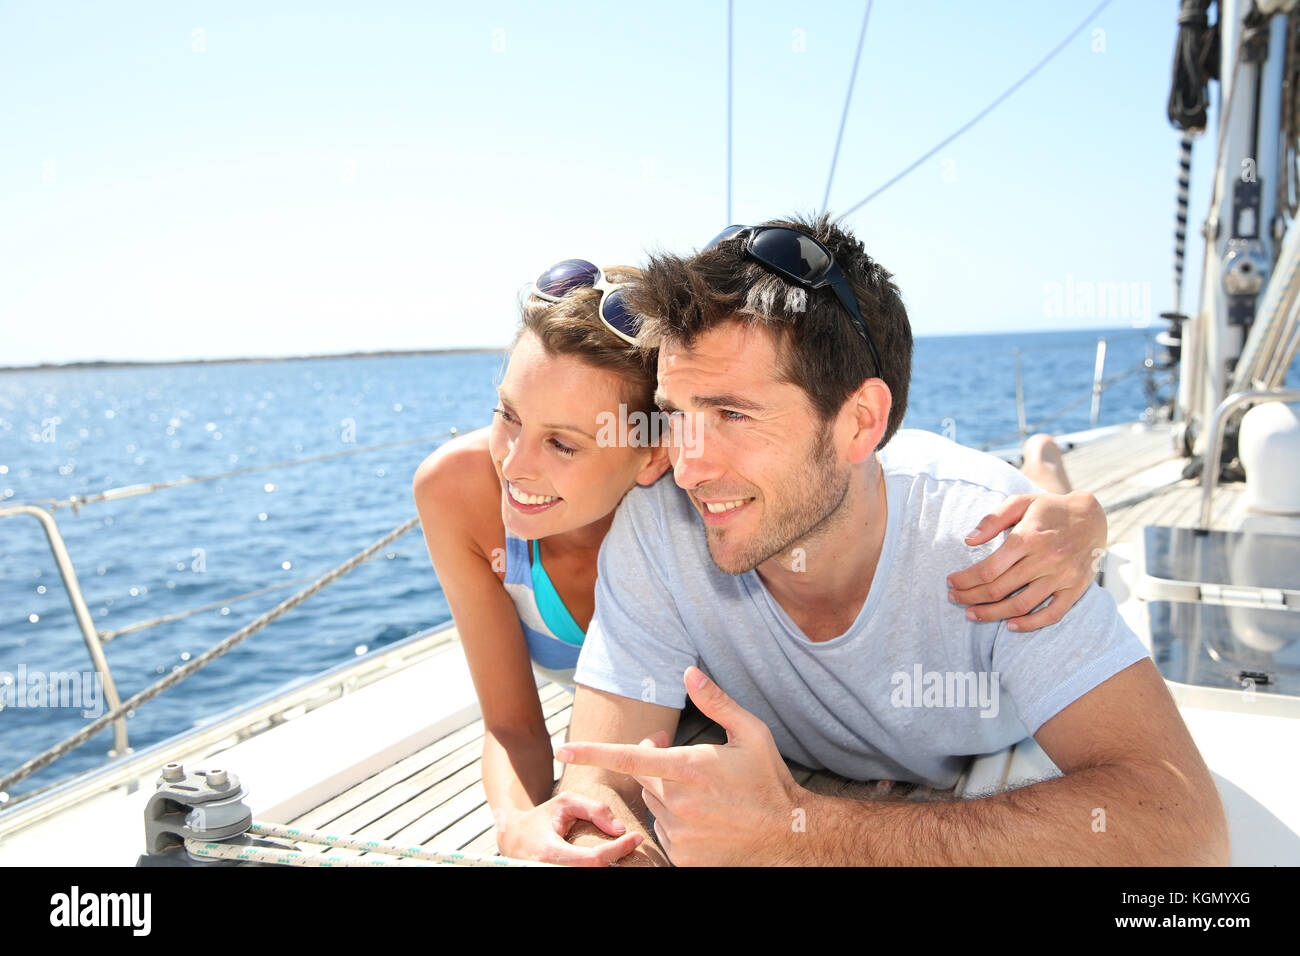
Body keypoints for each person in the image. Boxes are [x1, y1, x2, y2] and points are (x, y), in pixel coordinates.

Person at [552, 215, 1230, 866]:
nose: (688, 464)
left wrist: (807, 835)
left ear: (859, 422)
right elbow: (598, 788)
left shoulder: (1001, 547)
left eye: (732, 413)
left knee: (1048, 492)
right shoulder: (657, 522)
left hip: (988, 505)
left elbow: (1182, 826)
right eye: (676, 416)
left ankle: (1045, 466)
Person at [412, 257, 1113, 866]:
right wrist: (526, 826)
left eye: (563, 444)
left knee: (1034, 512)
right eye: (507, 415)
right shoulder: (481, 494)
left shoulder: (703, 500)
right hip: (682, 709)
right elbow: (533, 736)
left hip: (749, 681)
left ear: (650, 451)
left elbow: (847, 480)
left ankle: (1047, 471)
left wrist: (1085, 520)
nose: (514, 464)